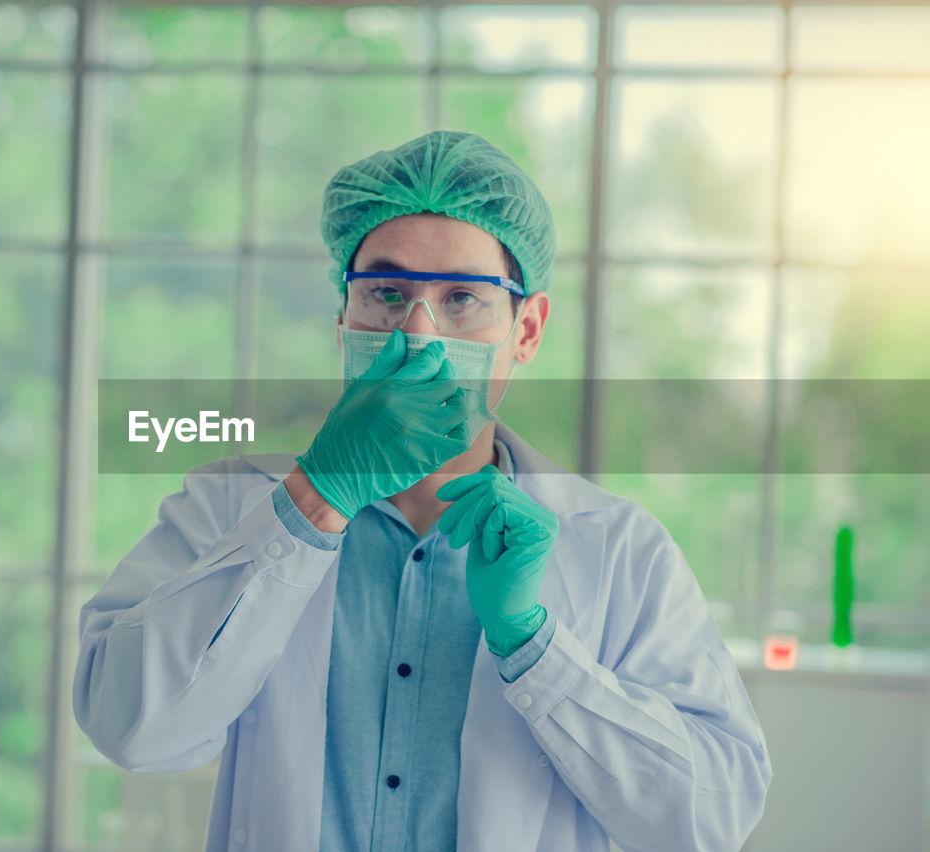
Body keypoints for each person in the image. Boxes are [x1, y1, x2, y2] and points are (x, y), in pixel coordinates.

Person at [74, 130, 771, 851]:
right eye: (386, 293)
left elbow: (709, 820)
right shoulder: (228, 506)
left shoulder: (621, 548)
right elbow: (133, 732)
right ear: (342, 319)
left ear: (526, 330)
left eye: (463, 298)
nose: (418, 331)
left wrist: (534, 647)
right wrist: (313, 502)